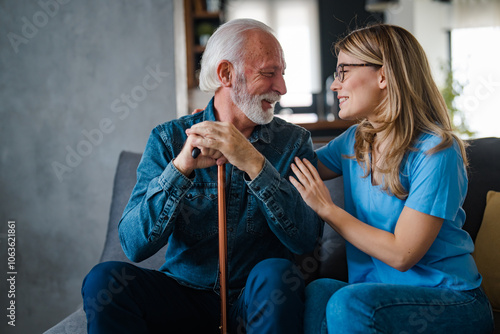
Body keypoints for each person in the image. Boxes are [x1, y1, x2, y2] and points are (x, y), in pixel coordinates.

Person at [81, 18, 323, 334]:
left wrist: (254, 163)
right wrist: (180, 169)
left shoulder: (293, 142)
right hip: (183, 295)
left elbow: (306, 238)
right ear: (226, 74)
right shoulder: (168, 139)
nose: (282, 88)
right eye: (269, 73)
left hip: (254, 300)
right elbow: (133, 245)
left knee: (277, 272)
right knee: (103, 281)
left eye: (283, 73)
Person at [289, 23, 494, 333]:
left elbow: (402, 255)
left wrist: (327, 209)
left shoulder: (437, 150)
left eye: (344, 71)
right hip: (378, 295)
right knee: (320, 292)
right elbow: (293, 166)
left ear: (383, 75)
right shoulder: (355, 140)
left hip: (449, 301)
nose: (334, 85)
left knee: (349, 303)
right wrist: (249, 128)